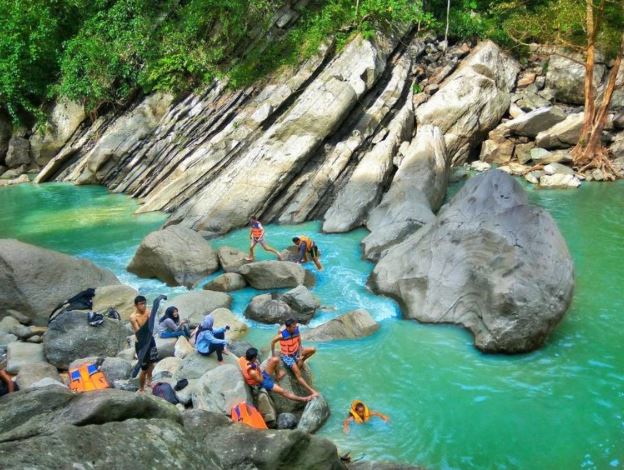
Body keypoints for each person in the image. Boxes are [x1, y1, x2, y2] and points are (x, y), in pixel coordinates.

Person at [238, 347, 313, 403]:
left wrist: (256, 366)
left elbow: (241, 362)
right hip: (262, 382)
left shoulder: (243, 359)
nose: (257, 357)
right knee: (284, 392)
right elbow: (261, 380)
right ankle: (304, 399)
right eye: (256, 356)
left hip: (261, 375)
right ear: (253, 357)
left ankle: (278, 375)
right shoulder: (252, 372)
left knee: (275, 360)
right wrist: (257, 366)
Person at [271, 318, 318, 397]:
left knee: (313, 349)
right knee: (298, 375)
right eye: (293, 327)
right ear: (288, 328)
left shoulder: (296, 330)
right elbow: (272, 342)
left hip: (296, 351)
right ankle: (312, 391)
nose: (295, 327)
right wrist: (273, 354)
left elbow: (299, 341)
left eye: (295, 326)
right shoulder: (282, 335)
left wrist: (300, 354)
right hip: (287, 356)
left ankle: (301, 361)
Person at [130, 294, 166, 392]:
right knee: (144, 368)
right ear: (136, 305)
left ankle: (149, 381)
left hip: (151, 341)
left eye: (145, 304)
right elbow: (140, 332)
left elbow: (154, 324)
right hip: (142, 344)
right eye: (141, 304)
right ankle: (141, 388)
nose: (144, 306)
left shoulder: (148, 312)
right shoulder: (133, 317)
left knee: (152, 363)